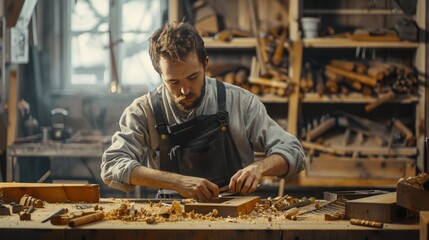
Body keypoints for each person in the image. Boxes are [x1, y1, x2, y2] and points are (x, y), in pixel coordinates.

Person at [101, 21, 306, 201]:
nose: (185, 90)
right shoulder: (142, 111)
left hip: (237, 215)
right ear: (159, 74)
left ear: (206, 64)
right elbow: (112, 165)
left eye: (193, 77)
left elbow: (293, 151)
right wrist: (177, 182)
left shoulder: (240, 102)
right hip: (170, 216)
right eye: (173, 82)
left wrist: (258, 169)